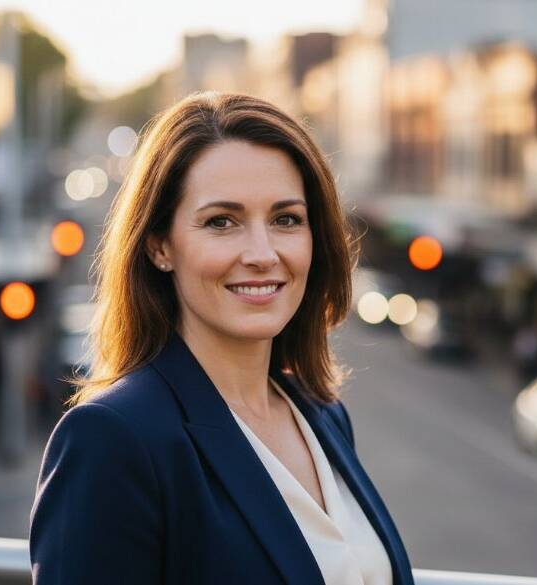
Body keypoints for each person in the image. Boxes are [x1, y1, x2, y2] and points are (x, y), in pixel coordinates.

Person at [29, 92, 414, 585]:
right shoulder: (113, 439)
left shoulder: (323, 415)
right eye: (221, 222)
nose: (262, 253)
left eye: (286, 219)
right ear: (160, 245)